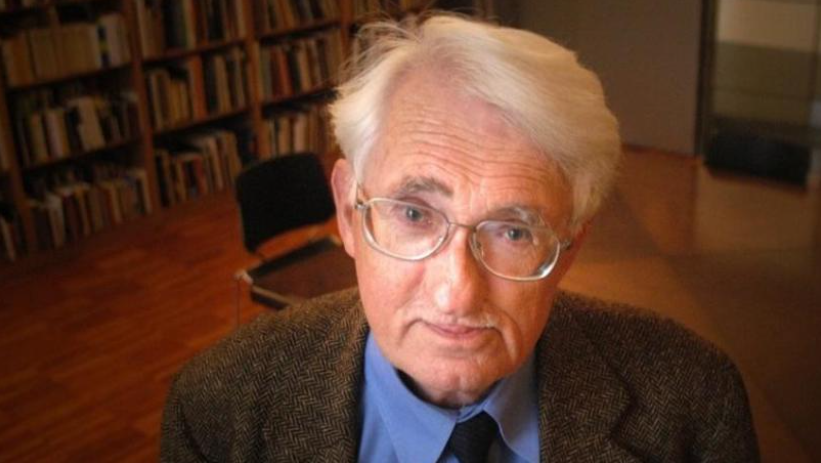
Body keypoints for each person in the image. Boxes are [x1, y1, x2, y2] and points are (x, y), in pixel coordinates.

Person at [160, 13, 759, 463]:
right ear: (347, 212)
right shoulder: (216, 411)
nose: (456, 294)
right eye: (414, 214)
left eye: (513, 230)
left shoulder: (693, 403)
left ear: (570, 248)